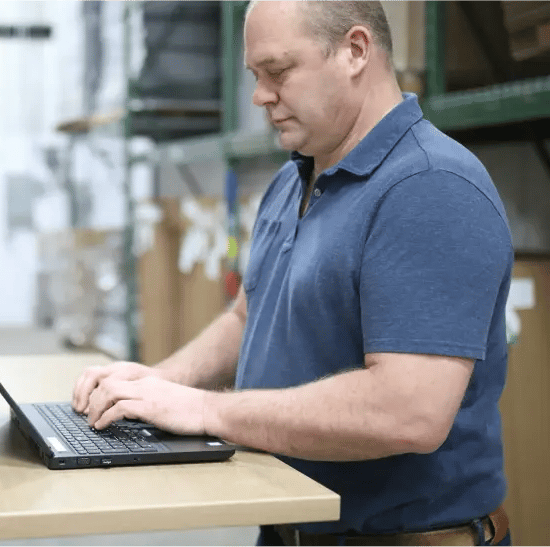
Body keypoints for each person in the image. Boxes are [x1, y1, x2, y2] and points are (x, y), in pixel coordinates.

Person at [72, 1, 514, 545]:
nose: (259, 95)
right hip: (289, 526)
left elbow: (408, 413)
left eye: (278, 72)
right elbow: (249, 313)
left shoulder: (429, 188)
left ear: (355, 51)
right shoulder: (293, 179)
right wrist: (161, 380)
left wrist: (207, 409)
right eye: (256, 76)